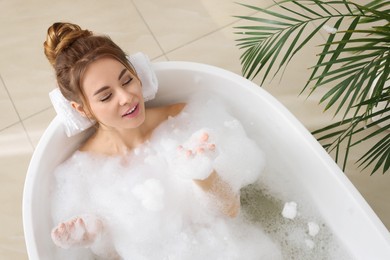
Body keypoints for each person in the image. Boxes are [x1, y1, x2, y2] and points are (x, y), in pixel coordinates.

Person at [44, 22, 259, 259]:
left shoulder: (186, 120)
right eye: (106, 96)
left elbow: (232, 211)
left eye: (126, 80)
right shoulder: (82, 171)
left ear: (136, 73)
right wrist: (102, 234)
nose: (127, 97)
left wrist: (203, 173)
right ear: (82, 109)